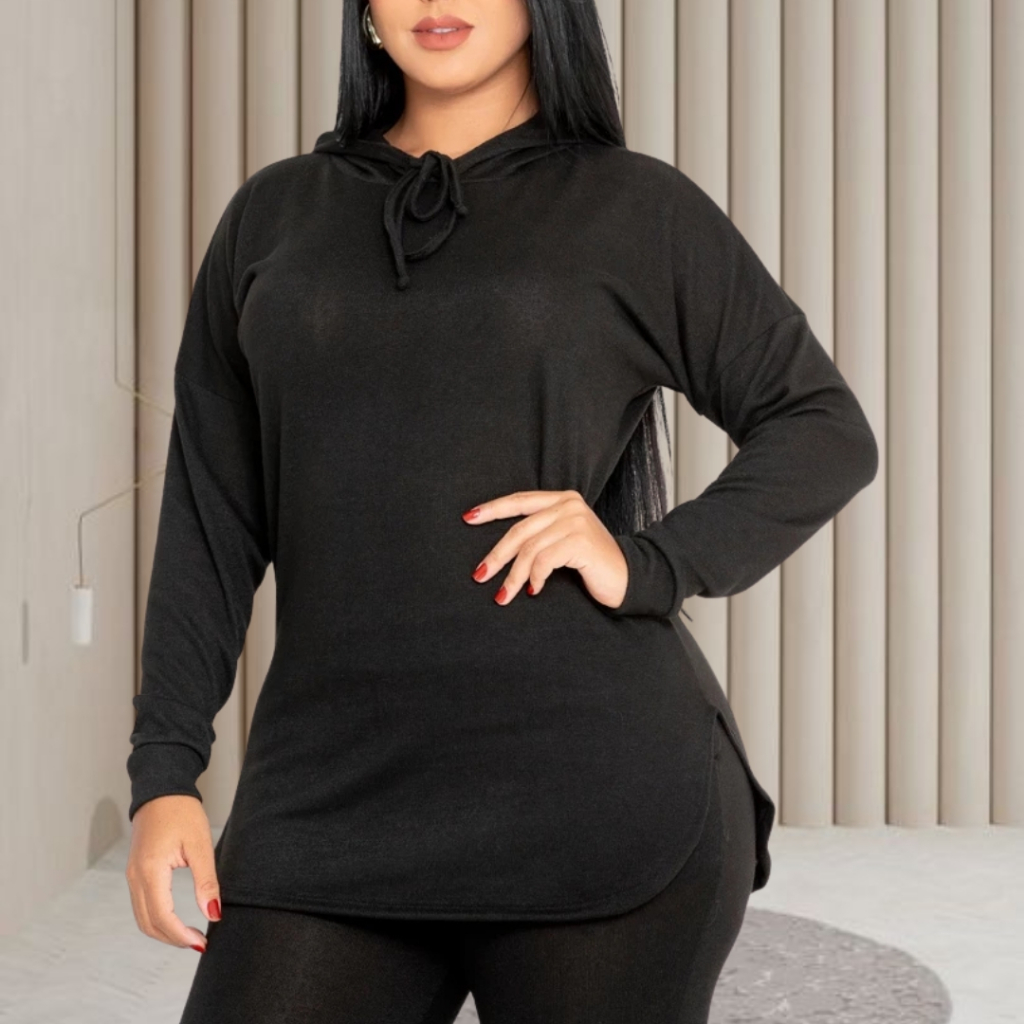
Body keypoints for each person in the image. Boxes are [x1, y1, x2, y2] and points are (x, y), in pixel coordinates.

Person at [124, 1, 879, 1021]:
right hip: (330, 794)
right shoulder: (275, 214)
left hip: (599, 795)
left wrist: (649, 561)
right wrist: (166, 768)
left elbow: (821, 426)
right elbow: (210, 515)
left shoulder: (634, 207)